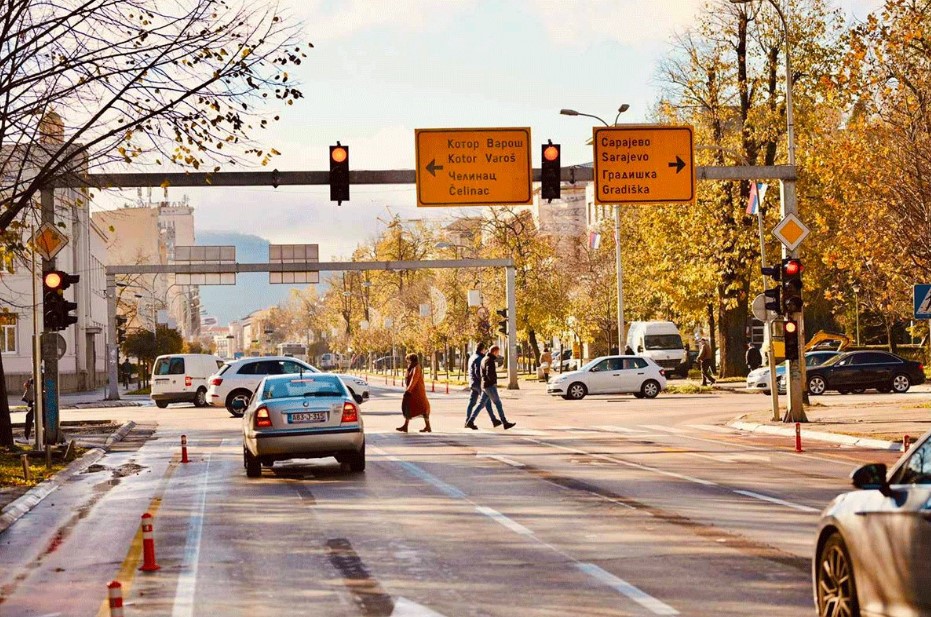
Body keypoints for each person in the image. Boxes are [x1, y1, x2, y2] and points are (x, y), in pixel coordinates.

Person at [473, 345, 515, 430]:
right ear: (494, 352)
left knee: (481, 404)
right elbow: (489, 373)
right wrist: (493, 382)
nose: (498, 354)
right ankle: (505, 422)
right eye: (498, 352)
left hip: (485, 385)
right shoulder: (490, 360)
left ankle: (470, 420)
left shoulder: (484, 358)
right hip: (489, 385)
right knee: (498, 404)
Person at [465, 343, 497, 430]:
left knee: (472, 403)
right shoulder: (479, 358)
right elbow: (478, 372)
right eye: (484, 349)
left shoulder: (472, 357)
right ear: (482, 349)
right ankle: (494, 420)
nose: (485, 351)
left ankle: (467, 421)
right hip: (479, 383)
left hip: (472, 383)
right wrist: (484, 381)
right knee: (487, 402)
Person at [397, 353, 432, 433]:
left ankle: (428, 426)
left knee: (422, 408)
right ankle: (406, 426)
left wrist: (408, 390)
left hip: (417, 392)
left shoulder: (417, 367)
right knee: (409, 408)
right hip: (412, 392)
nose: (407, 362)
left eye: (408, 360)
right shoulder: (411, 367)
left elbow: (414, 379)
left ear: (411, 360)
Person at [22, 377, 35, 442]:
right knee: (29, 416)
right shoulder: (33, 380)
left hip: (37, 402)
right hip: (33, 402)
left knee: (29, 416)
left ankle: (26, 437)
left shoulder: (35, 380)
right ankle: (26, 437)